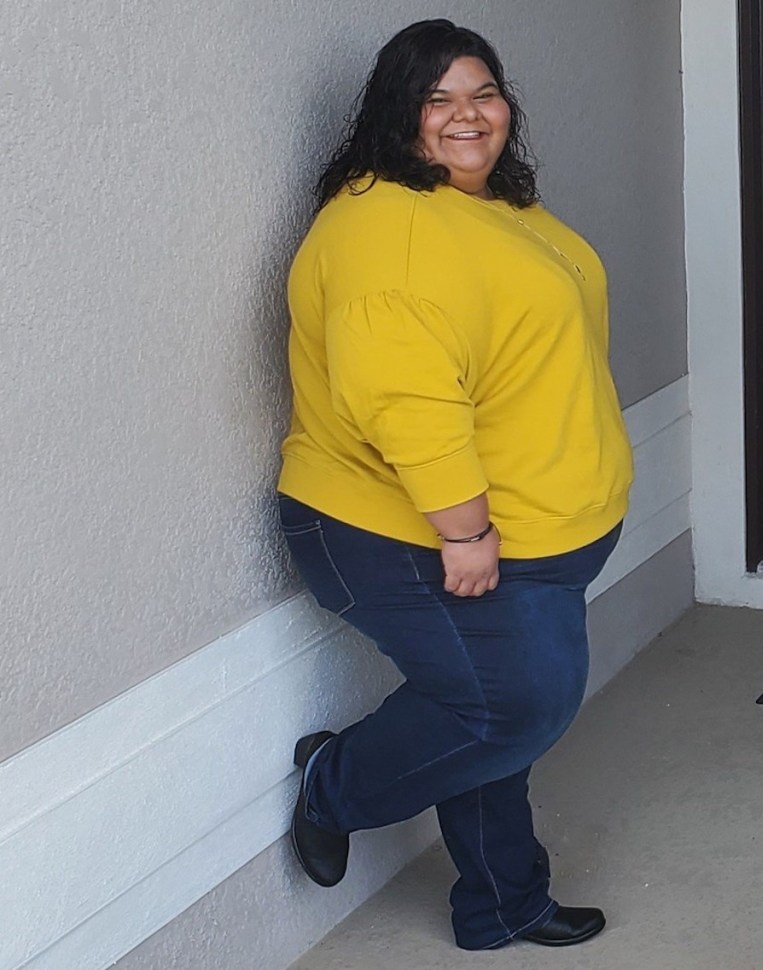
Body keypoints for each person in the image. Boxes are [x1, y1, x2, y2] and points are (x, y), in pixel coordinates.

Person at [277, 18, 633, 951]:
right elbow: (407, 401)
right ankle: (335, 784)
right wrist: (466, 529)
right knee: (512, 704)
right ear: (401, 117)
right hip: (406, 528)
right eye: (438, 99)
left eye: (482, 92)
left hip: (537, 529)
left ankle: (502, 904)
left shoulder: (485, 203)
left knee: (493, 715)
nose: (466, 114)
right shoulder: (387, 230)